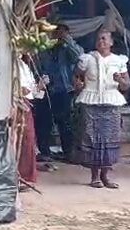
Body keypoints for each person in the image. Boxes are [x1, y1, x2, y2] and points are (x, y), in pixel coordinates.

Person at [73, 31, 130, 189]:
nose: (101, 42)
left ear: (111, 42)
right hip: (91, 102)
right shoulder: (87, 59)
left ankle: (105, 176)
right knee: (93, 139)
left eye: (104, 39)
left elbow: (127, 85)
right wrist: (78, 85)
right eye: (98, 39)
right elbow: (77, 77)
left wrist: (120, 80)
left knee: (110, 140)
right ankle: (94, 177)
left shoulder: (118, 61)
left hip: (111, 102)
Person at [36, 24, 83, 161]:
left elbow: (80, 56)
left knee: (65, 124)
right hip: (46, 90)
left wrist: (67, 40)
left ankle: (68, 152)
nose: (57, 35)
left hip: (64, 89)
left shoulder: (67, 49)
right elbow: (37, 65)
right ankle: (44, 152)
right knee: (44, 123)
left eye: (60, 33)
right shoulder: (43, 48)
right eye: (55, 33)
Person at [17, 55, 46, 190]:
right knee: (17, 142)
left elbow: (32, 91)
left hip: (26, 105)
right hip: (15, 104)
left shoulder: (24, 65)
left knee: (28, 141)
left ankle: (25, 177)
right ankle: (17, 177)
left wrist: (39, 87)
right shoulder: (10, 63)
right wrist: (18, 91)